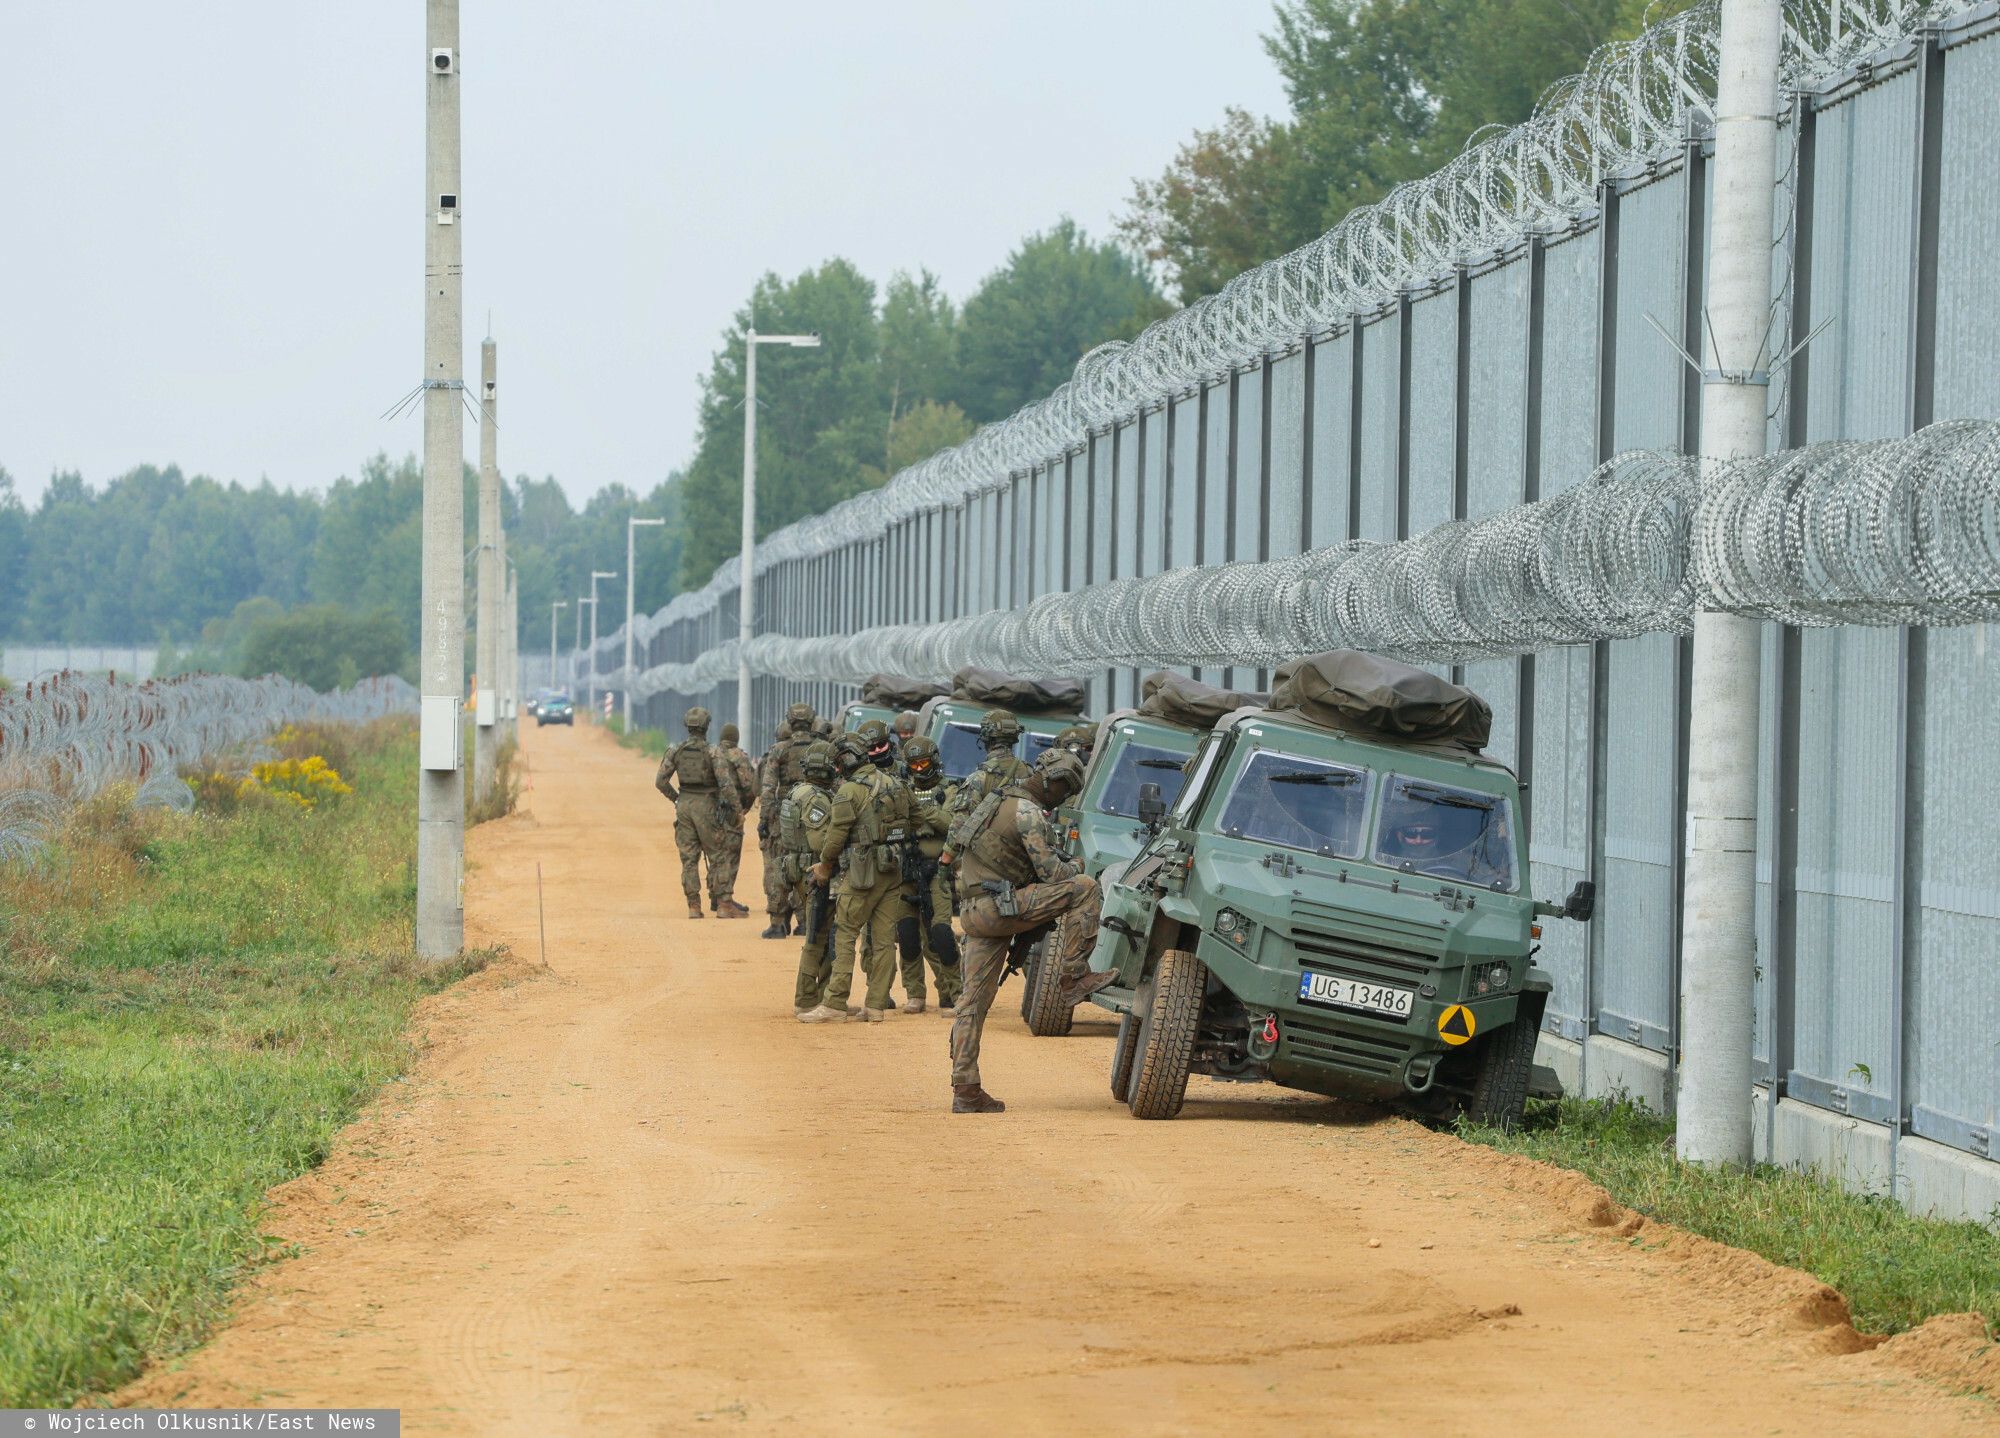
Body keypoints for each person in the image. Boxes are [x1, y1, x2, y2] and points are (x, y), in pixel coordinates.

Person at [944, 748, 1112, 1113]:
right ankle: (1073, 977)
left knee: (971, 1004)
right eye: (1063, 791)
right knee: (1084, 887)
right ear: (1052, 782)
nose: (1062, 799)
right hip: (1000, 909)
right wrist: (1078, 864)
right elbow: (1053, 874)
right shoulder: (1029, 813)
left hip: (974, 910)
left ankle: (966, 1089)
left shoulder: (997, 800)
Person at [797, 733, 913, 1024]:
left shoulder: (849, 791)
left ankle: (835, 1003)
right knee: (885, 939)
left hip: (861, 871)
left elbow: (835, 838)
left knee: (846, 931)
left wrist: (824, 866)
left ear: (846, 760)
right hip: (893, 868)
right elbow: (917, 821)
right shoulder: (895, 783)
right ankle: (875, 1006)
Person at [654, 706, 747, 920]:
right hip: (707, 805)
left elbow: (660, 781)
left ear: (687, 726)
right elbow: (726, 784)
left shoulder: (675, 750)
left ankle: (693, 906)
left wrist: (676, 797)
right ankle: (724, 905)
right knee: (719, 855)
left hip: (684, 804)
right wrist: (736, 810)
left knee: (689, 859)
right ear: (706, 726)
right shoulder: (713, 752)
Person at [783, 740, 845, 1018]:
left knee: (818, 933)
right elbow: (819, 841)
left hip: (800, 869)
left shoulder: (798, 792)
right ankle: (809, 998)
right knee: (820, 935)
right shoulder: (816, 798)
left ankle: (814, 997)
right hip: (815, 874)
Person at [901, 734, 962, 1017]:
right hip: (906, 868)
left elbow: (952, 823)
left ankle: (954, 992)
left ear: (934, 761)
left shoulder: (950, 790)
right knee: (908, 934)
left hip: (936, 869)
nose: (918, 769)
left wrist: (920, 812)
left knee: (940, 932)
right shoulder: (901, 788)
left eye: (923, 763)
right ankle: (914, 994)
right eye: (912, 765)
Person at [757, 702, 818, 938]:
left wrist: (765, 819)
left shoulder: (779, 749)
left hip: (784, 815)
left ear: (790, 722)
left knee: (779, 867)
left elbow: (768, 788)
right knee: (810, 864)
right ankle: (807, 922)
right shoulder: (821, 748)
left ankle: (778, 923)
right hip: (814, 813)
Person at [716, 722, 759, 915]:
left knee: (715, 854)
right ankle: (725, 901)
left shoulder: (712, 754)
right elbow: (750, 787)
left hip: (711, 812)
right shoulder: (738, 756)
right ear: (736, 739)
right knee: (731, 855)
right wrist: (743, 809)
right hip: (732, 812)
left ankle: (715, 896)